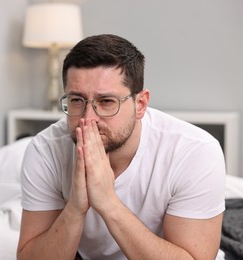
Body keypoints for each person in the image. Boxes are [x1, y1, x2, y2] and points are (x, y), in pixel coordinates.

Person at [17, 34, 225, 259]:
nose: (89, 118)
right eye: (77, 100)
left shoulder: (194, 151)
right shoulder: (45, 150)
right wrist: (75, 208)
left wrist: (108, 203)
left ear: (140, 104)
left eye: (106, 102)